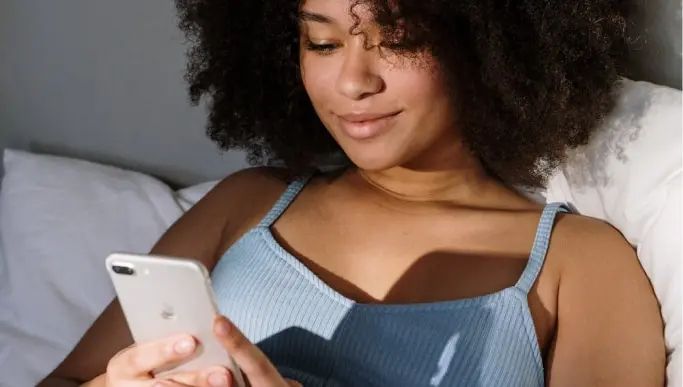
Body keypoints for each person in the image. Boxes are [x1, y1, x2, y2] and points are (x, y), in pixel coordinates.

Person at [42, 0, 666, 385]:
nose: (352, 81)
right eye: (323, 42)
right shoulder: (245, 205)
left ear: (483, 45)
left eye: (397, 39)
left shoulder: (578, 260)